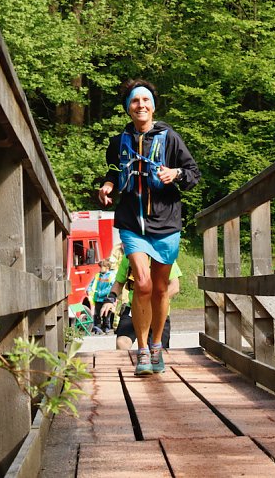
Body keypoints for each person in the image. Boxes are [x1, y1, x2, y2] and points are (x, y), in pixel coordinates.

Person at [98, 79, 199, 376]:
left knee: (159, 288)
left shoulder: (169, 138)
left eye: (145, 101)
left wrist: (175, 173)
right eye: (134, 101)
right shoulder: (118, 142)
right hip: (132, 221)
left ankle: (156, 344)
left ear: (153, 106)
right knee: (141, 283)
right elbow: (114, 171)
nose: (140, 105)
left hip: (166, 221)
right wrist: (107, 186)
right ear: (128, 108)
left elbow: (193, 174)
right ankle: (142, 349)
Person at [100, 256, 181, 351]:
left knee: (156, 352)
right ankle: (127, 364)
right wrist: (110, 299)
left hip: (157, 311)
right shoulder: (129, 256)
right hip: (134, 308)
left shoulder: (163, 254)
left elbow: (174, 287)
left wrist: (153, 302)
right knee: (121, 342)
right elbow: (119, 282)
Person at [86, 260, 115, 333]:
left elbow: (111, 287)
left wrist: (101, 293)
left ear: (107, 267)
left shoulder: (111, 275)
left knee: (106, 314)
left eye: (102, 267)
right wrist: (88, 290)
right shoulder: (97, 275)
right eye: (100, 267)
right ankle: (97, 328)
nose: (101, 268)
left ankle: (106, 328)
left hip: (106, 299)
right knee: (97, 314)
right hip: (97, 299)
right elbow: (91, 283)